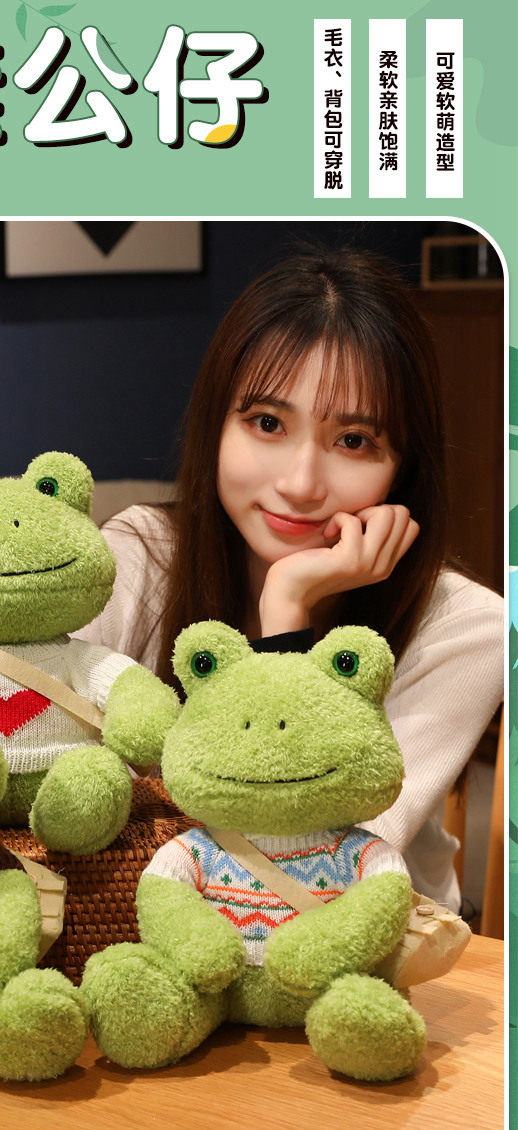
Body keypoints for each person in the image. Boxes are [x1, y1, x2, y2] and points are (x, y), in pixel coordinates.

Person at [76, 246, 504, 912]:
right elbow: (26, 752)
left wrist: (287, 609)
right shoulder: (143, 554)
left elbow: (319, 873)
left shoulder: (466, 627)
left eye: (353, 440)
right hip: (144, 933)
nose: (301, 484)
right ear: (217, 424)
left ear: (404, 466)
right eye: (268, 423)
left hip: (369, 948)